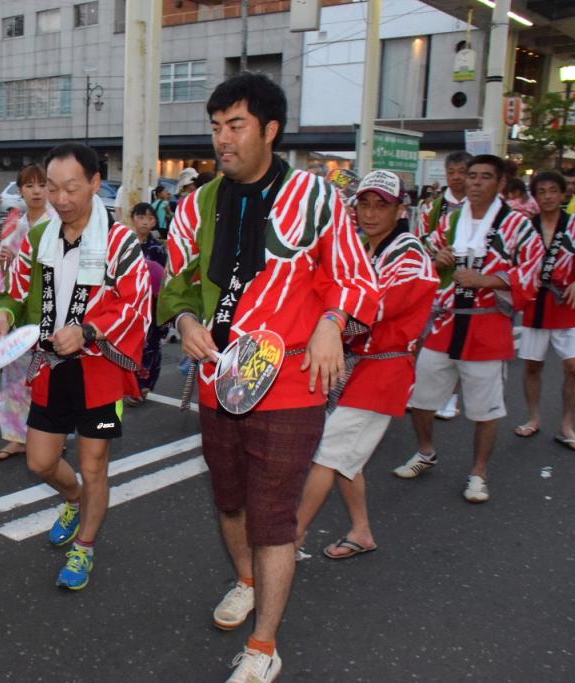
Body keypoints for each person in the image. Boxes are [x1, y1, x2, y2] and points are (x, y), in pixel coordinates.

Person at [157, 73, 378, 683]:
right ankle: (247, 581)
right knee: (228, 499)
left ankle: (264, 645)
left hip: (289, 382)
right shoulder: (197, 204)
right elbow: (174, 282)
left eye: (236, 126)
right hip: (217, 379)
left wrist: (334, 320)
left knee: (272, 514)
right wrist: (183, 319)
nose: (222, 140)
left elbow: (358, 279)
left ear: (270, 130)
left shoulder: (317, 197)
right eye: (216, 127)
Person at [0, 142, 151, 591]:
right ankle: (74, 498)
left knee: (94, 463)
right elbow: (15, 288)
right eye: (53, 188)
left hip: (98, 368)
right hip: (50, 364)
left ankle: (85, 546)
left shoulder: (118, 242)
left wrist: (89, 330)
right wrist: (3, 312)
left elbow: (136, 304)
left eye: (71, 188)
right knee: (41, 462)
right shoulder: (40, 237)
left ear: (96, 184)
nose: (60, 199)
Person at [295, 170, 438, 560]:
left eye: (382, 205)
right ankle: (361, 531)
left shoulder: (410, 254)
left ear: (399, 210)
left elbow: (374, 306)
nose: (371, 213)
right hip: (361, 364)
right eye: (364, 203)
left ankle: (291, 538)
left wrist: (330, 312)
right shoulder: (365, 249)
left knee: (328, 453)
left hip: (383, 369)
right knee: (346, 456)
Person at [394, 154, 543, 503]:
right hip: (445, 321)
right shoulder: (452, 219)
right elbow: (422, 252)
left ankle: (479, 472)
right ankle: (426, 452)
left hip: (487, 326)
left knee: (484, 409)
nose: (474, 182)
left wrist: (485, 280)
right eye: (471, 176)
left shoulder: (517, 226)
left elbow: (533, 273)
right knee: (420, 399)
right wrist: (436, 258)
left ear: (500, 183)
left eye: (484, 177)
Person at [0, 164, 53, 462]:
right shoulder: (14, 227)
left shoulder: (57, 224)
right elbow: (4, 279)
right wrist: (6, 263)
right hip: (18, 311)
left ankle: (50, 437)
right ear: (21, 190)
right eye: (29, 185)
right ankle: (16, 437)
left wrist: (24, 260)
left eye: (42, 184)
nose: (37, 191)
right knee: (14, 378)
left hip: (49, 313)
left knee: (48, 380)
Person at [514, 171, 575, 450]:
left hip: (568, 302)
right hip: (535, 303)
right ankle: (534, 418)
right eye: (542, 191)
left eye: (554, 190)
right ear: (535, 197)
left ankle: (566, 424)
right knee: (532, 365)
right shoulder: (527, 227)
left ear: (563, 194)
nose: (548, 196)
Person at [415, 151, 472, 420]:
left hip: (469, 285)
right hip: (436, 282)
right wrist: (434, 257)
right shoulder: (433, 208)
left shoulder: (482, 206)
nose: (457, 178)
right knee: (425, 338)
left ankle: (451, 396)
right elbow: (420, 243)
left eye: (463, 172)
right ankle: (421, 391)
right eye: (452, 173)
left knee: (459, 339)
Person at [126, 202, 167, 406]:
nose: (145, 222)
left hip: (151, 304)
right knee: (129, 343)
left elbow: (164, 278)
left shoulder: (158, 248)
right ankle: (130, 383)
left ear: (154, 222)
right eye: (141, 217)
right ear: (133, 218)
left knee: (150, 345)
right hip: (128, 303)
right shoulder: (125, 244)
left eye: (150, 218)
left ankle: (143, 385)